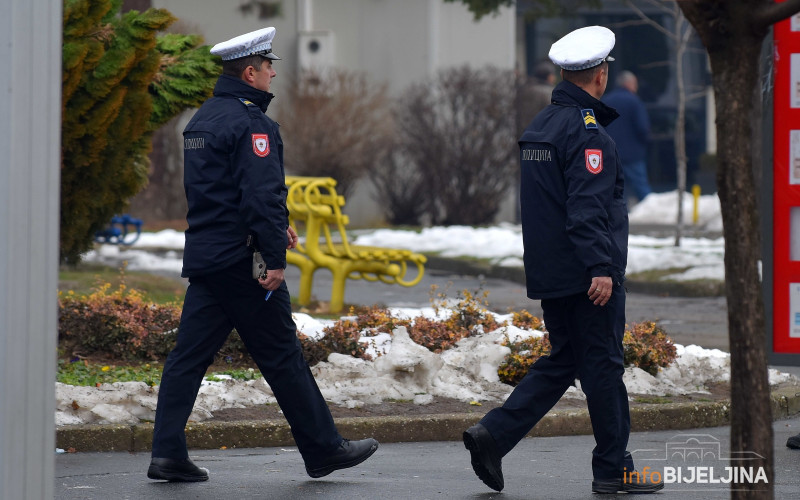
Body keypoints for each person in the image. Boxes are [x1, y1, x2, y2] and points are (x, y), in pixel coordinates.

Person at [147, 27, 378, 482]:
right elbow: (261, 194)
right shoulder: (251, 122)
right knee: (282, 355)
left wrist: (273, 226)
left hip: (210, 257)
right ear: (250, 72)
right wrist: (274, 255)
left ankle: (167, 452)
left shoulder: (203, 120)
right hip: (243, 262)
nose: (274, 72)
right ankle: (324, 448)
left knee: (187, 358)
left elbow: (221, 193)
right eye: (269, 65)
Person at [462, 26, 663, 494]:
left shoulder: (543, 124)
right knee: (605, 368)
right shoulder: (587, 133)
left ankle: (494, 435)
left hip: (553, 272)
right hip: (586, 276)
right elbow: (586, 208)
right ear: (599, 75)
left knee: (565, 360)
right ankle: (614, 468)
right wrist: (601, 267)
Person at [602, 70, 652, 202]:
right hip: (633, 153)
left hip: (610, 153)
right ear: (629, 84)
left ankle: (618, 217)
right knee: (641, 188)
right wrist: (646, 142)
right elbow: (642, 128)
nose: (636, 87)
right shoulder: (634, 101)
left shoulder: (606, 100)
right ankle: (650, 213)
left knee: (615, 190)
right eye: (635, 84)